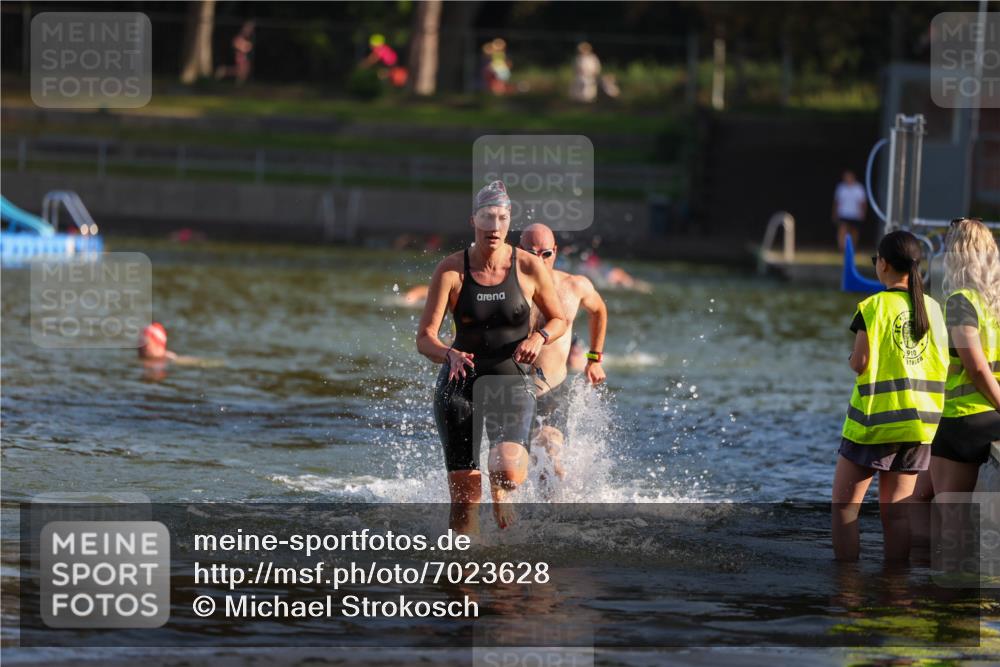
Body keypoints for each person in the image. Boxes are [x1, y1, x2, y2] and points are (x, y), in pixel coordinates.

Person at [416, 181, 567, 534]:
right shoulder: (451, 270)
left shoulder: (529, 267)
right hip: (459, 384)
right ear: (474, 221)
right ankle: (462, 573)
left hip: (510, 383)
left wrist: (539, 336)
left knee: (508, 472)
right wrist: (447, 353)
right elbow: (425, 337)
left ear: (508, 220)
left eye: (501, 218)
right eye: (486, 217)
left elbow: (559, 319)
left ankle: (501, 490)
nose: (494, 226)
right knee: (466, 496)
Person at [831, 230, 949, 562]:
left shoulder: (872, 307)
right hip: (920, 426)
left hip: (874, 423)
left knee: (844, 508)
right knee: (896, 514)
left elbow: (861, 363)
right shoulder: (935, 309)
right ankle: (896, 589)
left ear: (882, 264)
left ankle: (847, 585)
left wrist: (852, 360)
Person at [519, 223, 608, 481]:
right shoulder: (505, 287)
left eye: (546, 253)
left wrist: (594, 359)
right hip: (509, 393)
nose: (539, 259)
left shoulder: (574, 286)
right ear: (518, 251)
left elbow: (599, 311)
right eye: (532, 252)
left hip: (552, 391)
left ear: (555, 252)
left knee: (551, 460)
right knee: (512, 473)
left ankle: (559, 518)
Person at [928, 219, 1000, 493]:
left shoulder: (960, 301)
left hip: (964, 417)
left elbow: (977, 368)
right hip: (991, 418)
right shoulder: (995, 302)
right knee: (920, 492)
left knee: (950, 517)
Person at [833, 170, 867, 252]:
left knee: (854, 232)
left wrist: (862, 212)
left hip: (855, 214)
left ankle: (853, 248)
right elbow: (837, 202)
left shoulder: (859, 188)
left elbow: (863, 202)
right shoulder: (841, 188)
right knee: (842, 230)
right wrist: (835, 213)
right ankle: (842, 248)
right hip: (844, 213)